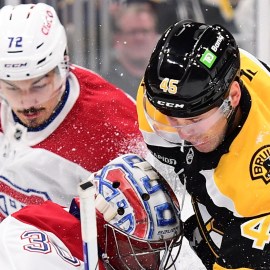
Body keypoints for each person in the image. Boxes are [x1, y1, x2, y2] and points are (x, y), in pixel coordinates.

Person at [136, 20, 270, 269]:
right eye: (172, 119)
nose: (184, 133)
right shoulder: (160, 99)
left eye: (195, 119)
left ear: (233, 97)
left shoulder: (257, 181)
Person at [0, 3, 146, 221]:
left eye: (39, 85)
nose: (26, 102)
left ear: (64, 65)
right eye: (11, 87)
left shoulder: (112, 124)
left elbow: (150, 229)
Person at [0, 153, 182, 270]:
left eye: (157, 252)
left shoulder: (103, 253)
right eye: (139, 250)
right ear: (103, 227)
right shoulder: (31, 229)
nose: (151, 265)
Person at [102, 2, 159, 99]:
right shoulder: (106, 85)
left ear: (155, 35)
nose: (139, 38)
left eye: (145, 31)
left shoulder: (167, 82)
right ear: (118, 38)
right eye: (133, 32)